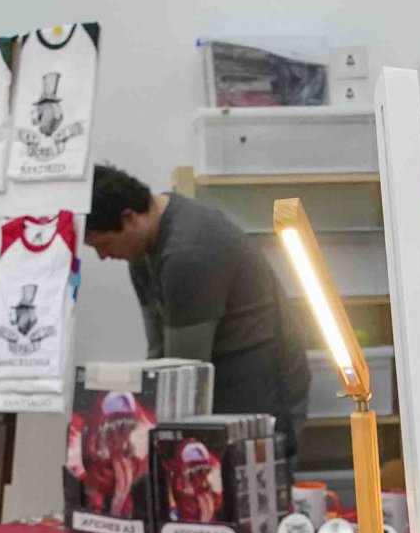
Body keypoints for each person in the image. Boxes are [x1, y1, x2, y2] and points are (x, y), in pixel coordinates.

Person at [83, 163, 310, 469]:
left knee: (254, 485)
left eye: (104, 244)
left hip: (257, 373)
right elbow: (157, 357)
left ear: (129, 218)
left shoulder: (186, 255)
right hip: (219, 370)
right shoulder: (140, 253)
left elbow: (183, 373)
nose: (103, 256)